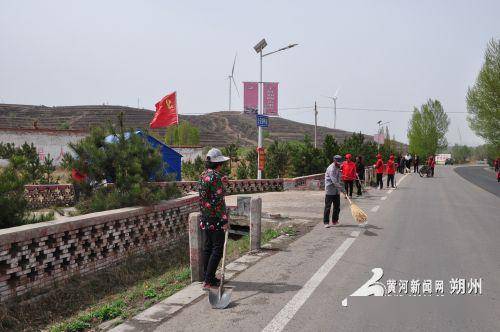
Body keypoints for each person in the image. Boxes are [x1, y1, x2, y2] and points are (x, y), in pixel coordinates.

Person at [198, 148, 230, 290]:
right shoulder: (216, 177)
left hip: (205, 216)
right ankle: (209, 279)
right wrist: (224, 219)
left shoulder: (203, 175)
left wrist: (220, 182)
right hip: (215, 217)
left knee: (208, 247)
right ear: (219, 164)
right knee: (217, 248)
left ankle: (207, 276)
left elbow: (209, 193)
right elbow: (218, 199)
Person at [324, 155, 346, 228]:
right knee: (328, 207)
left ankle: (335, 221)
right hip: (330, 190)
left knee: (337, 207)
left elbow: (339, 179)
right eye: (338, 162)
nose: (339, 164)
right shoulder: (331, 169)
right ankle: (326, 222)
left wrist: (342, 188)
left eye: (340, 162)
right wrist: (343, 190)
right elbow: (335, 182)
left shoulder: (338, 167)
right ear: (334, 161)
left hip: (336, 191)